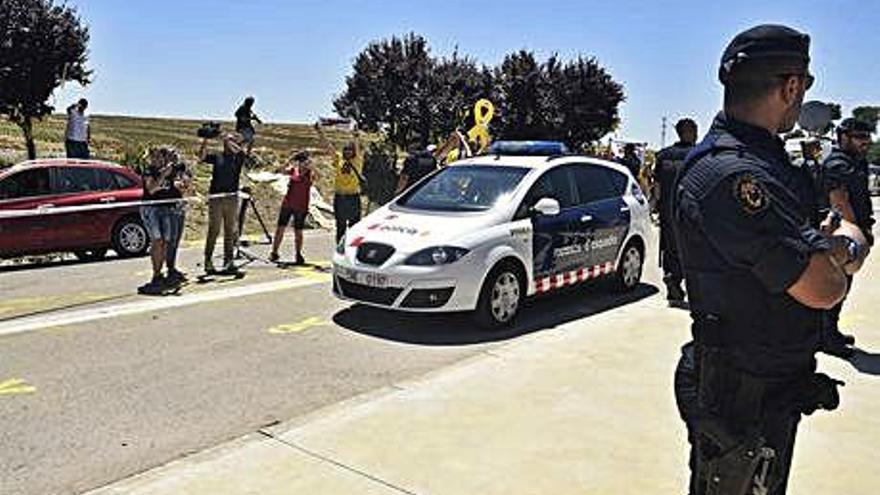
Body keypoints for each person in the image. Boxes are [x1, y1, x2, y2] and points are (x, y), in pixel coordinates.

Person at [671, 25, 868, 494]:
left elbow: (839, 246)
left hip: (768, 386)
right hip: (740, 394)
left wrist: (835, 250)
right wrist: (839, 248)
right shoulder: (733, 176)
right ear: (791, 86)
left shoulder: (769, 163)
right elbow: (824, 287)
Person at [816, 117, 876, 358]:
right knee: (836, 284)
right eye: (860, 137)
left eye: (867, 137)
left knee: (844, 285)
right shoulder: (838, 164)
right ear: (843, 137)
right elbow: (839, 202)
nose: (866, 142)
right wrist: (857, 236)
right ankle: (826, 337)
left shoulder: (856, 162)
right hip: (842, 234)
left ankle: (830, 331)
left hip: (852, 230)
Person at [653, 118, 697, 304]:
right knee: (690, 247)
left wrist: (656, 205)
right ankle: (685, 282)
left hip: (666, 208)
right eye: (694, 130)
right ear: (688, 132)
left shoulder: (663, 155)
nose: (696, 134)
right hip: (688, 209)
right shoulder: (696, 154)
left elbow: (657, 185)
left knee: (669, 246)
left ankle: (671, 277)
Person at [138, 147, 191, 295]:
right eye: (154, 158)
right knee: (157, 241)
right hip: (152, 209)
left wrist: (182, 180)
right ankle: (156, 274)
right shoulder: (150, 171)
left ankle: (165, 272)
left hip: (167, 209)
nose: (157, 160)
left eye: (160, 158)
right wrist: (163, 175)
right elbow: (151, 189)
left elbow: (180, 187)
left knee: (167, 241)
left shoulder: (170, 171)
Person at [199, 132, 247, 274]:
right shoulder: (217, 156)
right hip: (216, 198)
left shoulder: (238, 157)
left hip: (232, 198)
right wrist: (206, 140)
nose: (230, 142)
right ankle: (208, 260)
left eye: (232, 140)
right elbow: (201, 156)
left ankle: (229, 260)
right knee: (214, 229)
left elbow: (242, 151)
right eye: (228, 140)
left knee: (229, 230)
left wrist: (230, 140)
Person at [315, 123, 364, 242]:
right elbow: (328, 147)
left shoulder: (357, 161)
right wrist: (321, 133)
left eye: (350, 150)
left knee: (354, 227)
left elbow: (357, 145)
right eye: (346, 149)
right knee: (340, 227)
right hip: (340, 198)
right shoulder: (338, 160)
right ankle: (340, 251)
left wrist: (356, 135)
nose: (348, 151)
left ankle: (352, 252)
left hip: (353, 198)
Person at [270, 150, 316, 265]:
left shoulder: (310, 173)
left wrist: (311, 166)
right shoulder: (293, 170)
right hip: (288, 204)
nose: (302, 164)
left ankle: (298, 254)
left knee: (298, 231)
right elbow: (279, 171)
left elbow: (316, 177)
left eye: (305, 162)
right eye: (301, 162)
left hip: (301, 206)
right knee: (280, 228)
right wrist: (290, 159)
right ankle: (274, 252)